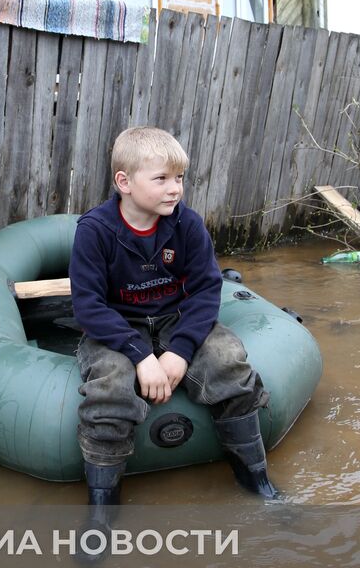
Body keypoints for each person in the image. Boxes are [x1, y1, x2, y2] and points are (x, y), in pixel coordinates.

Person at [69, 126, 277, 519]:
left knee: (228, 359)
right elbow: (88, 306)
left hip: (174, 319)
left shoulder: (188, 225)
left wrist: (180, 351)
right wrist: (141, 356)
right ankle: (102, 509)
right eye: (162, 178)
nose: (175, 189)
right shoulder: (94, 231)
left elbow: (205, 290)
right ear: (124, 182)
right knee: (111, 385)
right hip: (116, 327)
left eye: (179, 178)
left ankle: (256, 480)